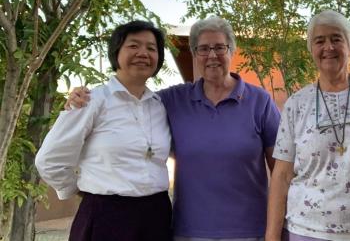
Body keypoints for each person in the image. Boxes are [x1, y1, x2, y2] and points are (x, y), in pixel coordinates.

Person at [64, 16, 281, 241]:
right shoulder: (172, 100)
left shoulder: (260, 102)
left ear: (231, 51)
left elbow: (282, 171)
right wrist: (80, 97)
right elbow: (130, 104)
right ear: (195, 54)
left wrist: (275, 230)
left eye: (219, 47)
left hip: (250, 231)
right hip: (188, 232)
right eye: (203, 48)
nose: (212, 55)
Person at [35, 21, 172, 241]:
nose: (143, 53)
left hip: (156, 216)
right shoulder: (90, 101)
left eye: (151, 48)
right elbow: (49, 160)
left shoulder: (160, 105)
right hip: (105, 217)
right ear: (116, 52)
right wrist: (81, 190)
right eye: (133, 46)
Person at [266, 10, 350, 241]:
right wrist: (272, 237)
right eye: (319, 41)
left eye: (336, 39)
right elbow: (281, 176)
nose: (328, 47)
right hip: (302, 231)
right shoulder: (297, 104)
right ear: (310, 49)